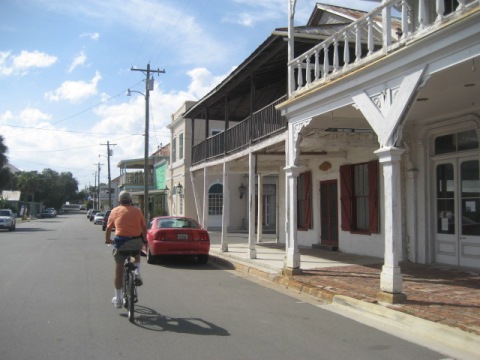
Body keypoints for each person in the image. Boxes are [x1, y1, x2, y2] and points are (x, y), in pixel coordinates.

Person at [105, 191, 147, 309]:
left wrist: (108, 240)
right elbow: (144, 227)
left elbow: (108, 228)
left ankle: (118, 299)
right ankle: (137, 274)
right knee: (137, 254)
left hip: (121, 243)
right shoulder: (137, 211)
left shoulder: (115, 211)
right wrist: (144, 240)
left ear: (119, 201)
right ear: (130, 201)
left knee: (119, 269)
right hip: (136, 241)